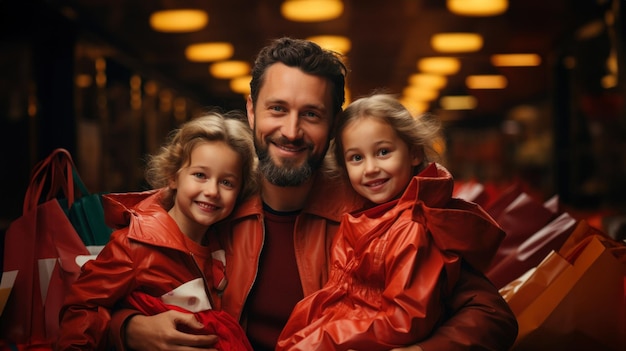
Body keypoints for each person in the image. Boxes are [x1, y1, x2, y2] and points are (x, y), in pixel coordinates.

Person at [113, 37, 518, 351]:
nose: (291, 131)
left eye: (311, 114)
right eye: (277, 109)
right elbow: (94, 289)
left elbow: (491, 316)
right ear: (252, 111)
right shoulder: (209, 198)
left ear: (334, 124)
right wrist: (128, 330)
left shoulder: (374, 210)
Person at [276, 93, 514, 350]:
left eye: (383, 152)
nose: (370, 168)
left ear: (413, 153)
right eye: (357, 158)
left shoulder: (414, 224)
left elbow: (406, 318)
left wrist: (323, 339)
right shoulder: (366, 217)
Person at [56, 111, 257, 351]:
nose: (212, 190)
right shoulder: (133, 244)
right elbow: (83, 308)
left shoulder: (225, 239)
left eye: (227, 182)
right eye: (200, 175)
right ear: (174, 177)